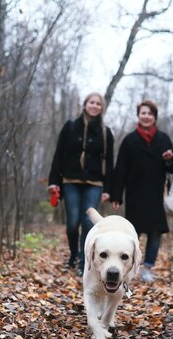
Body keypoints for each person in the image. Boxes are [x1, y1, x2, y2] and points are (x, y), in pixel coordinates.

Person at [111, 99, 173, 283]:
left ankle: (147, 267)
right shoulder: (129, 140)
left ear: (154, 117)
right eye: (143, 113)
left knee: (155, 232)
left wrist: (168, 160)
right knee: (133, 233)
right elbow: (121, 169)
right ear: (138, 115)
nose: (146, 116)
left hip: (156, 194)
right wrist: (116, 194)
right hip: (135, 193)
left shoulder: (164, 139)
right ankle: (129, 267)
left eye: (149, 113)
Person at [48, 92, 114, 276]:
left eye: (98, 104)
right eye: (91, 102)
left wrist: (108, 190)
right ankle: (73, 254)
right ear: (85, 104)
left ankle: (84, 262)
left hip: (94, 183)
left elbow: (109, 163)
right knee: (72, 223)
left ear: (102, 108)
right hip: (71, 181)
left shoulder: (105, 132)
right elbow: (58, 155)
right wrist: (54, 182)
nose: (94, 106)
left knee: (88, 223)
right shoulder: (70, 127)